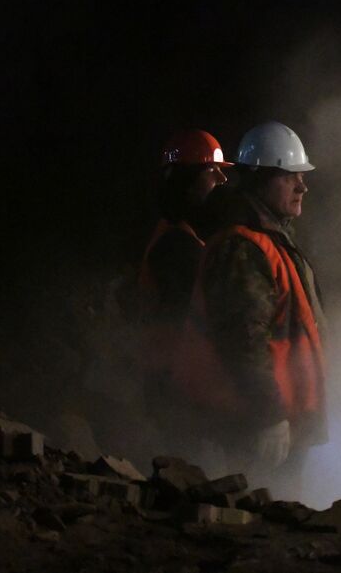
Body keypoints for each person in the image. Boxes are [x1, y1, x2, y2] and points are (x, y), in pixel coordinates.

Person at [173, 121, 327, 494]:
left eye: (301, 176)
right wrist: (268, 416)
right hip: (255, 425)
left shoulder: (268, 241)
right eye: (289, 177)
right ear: (259, 179)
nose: (302, 186)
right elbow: (243, 338)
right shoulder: (242, 247)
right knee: (258, 520)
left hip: (280, 422)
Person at [133, 129, 233, 452]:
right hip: (177, 395)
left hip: (174, 389)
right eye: (212, 171)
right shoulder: (177, 246)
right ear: (186, 180)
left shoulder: (180, 238)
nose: (222, 180)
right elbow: (190, 326)